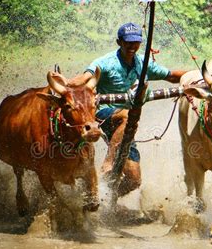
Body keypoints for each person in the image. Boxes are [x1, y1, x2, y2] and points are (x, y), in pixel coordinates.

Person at [77, 23, 187, 197]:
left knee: (134, 180)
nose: (132, 46)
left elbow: (172, 76)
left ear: (140, 43)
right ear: (119, 42)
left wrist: (197, 76)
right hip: (103, 116)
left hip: (127, 125)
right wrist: (68, 84)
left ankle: (106, 198)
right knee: (126, 115)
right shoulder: (104, 63)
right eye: (128, 42)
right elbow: (85, 78)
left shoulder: (143, 63)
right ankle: (110, 159)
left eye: (136, 42)